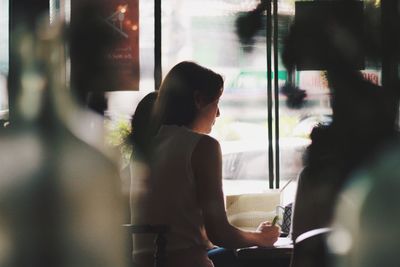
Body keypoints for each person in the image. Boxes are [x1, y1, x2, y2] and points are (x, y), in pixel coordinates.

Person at [130, 61, 280, 267]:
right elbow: (219, 233)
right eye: (217, 102)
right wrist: (259, 238)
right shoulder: (203, 147)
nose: (218, 113)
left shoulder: (144, 149)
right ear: (199, 100)